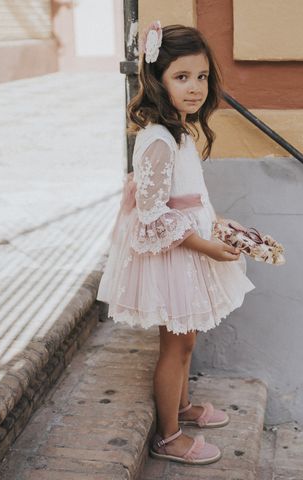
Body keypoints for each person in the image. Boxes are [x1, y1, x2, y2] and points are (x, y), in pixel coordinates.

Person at [96, 20, 255, 465]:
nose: (195, 87)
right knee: (176, 344)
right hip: (175, 254)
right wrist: (205, 246)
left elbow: (190, 197)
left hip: (190, 245)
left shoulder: (180, 132)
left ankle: (182, 407)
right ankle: (167, 436)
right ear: (157, 80)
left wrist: (218, 223)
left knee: (187, 340)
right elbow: (152, 213)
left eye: (202, 77)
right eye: (182, 77)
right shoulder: (158, 140)